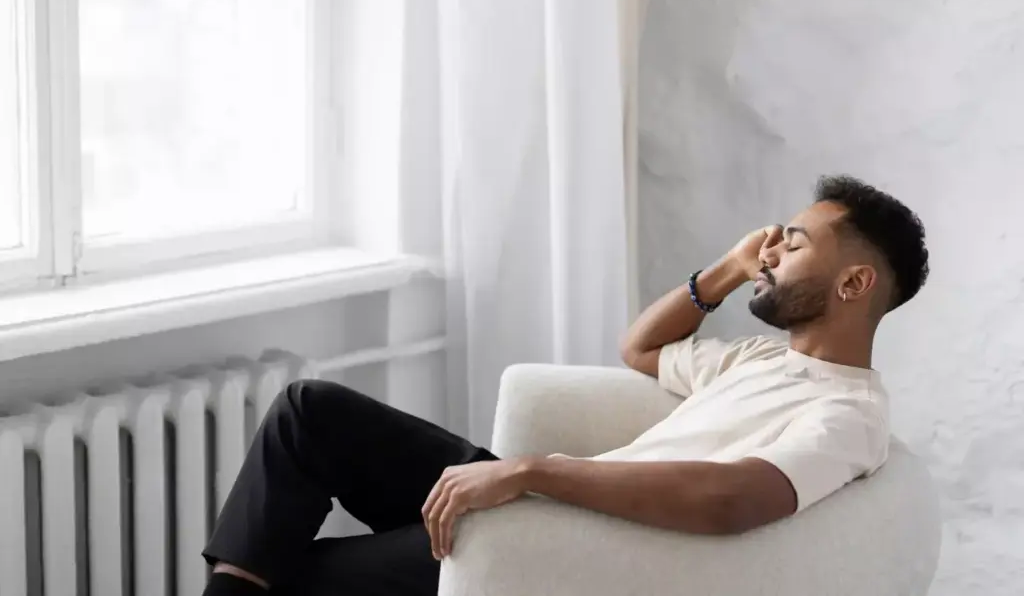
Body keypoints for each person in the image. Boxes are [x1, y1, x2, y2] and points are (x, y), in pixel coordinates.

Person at [201, 174, 929, 596]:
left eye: (793, 243)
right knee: (309, 411)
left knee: (279, 569)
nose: (772, 251)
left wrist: (532, 471)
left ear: (855, 282)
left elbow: (735, 498)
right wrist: (732, 268)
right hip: (547, 500)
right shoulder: (764, 362)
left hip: (561, 539)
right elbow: (641, 346)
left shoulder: (848, 411)